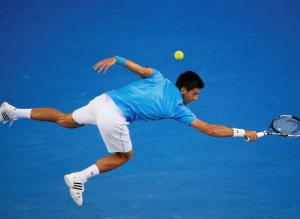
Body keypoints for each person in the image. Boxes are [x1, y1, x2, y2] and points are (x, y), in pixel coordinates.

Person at [0, 56, 258, 206]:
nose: (197, 98)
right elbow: (211, 130)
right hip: (114, 116)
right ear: (184, 91)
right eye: (195, 93)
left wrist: (118, 59)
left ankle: (11, 111)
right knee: (124, 156)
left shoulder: (159, 77)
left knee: (67, 120)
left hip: (103, 101)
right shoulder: (178, 108)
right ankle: (80, 176)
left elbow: (140, 69)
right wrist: (243, 131)